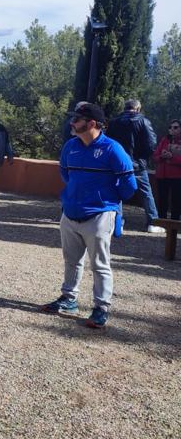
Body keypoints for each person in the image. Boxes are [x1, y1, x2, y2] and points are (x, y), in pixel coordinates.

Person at [41, 103, 137, 329]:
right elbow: (65, 174)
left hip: (100, 215)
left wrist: (108, 203)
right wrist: (75, 196)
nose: (72, 123)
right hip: (71, 213)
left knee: (100, 264)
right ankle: (69, 299)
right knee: (71, 260)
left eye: (77, 119)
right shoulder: (70, 146)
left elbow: (129, 184)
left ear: (92, 123)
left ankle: (101, 307)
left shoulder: (112, 149)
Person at [106, 99, 163, 233]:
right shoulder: (143, 121)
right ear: (138, 108)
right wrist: (143, 158)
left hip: (117, 163)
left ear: (125, 108)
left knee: (116, 192)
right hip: (137, 165)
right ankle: (152, 223)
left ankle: (118, 222)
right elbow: (151, 143)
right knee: (146, 193)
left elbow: (108, 142)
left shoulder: (114, 122)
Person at [153, 120, 181, 221]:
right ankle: (162, 222)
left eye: (175, 127)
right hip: (162, 176)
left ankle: (174, 223)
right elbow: (155, 156)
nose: (172, 129)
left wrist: (172, 157)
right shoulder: (164, 140)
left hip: (177, 177)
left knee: (176, 201)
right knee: (162, 201)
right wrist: (162, 156)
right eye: (170, 127)